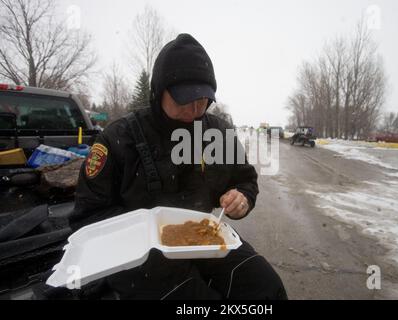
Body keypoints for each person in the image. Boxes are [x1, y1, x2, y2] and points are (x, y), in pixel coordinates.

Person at [71, 34, 287, 300]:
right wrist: (145, 230)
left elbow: (245, 180)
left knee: (264, 286)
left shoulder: (218, 133)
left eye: (202, 100)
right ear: (158, 91)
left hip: (204, 240)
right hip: (142, 255)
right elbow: (87, 215)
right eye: (183, 100)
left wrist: (243, 198)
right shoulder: (119, 138)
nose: (193, 110)